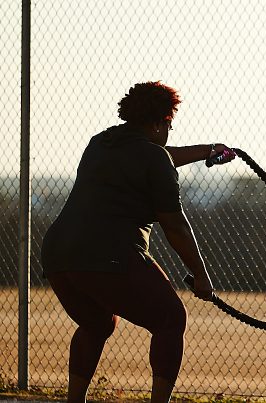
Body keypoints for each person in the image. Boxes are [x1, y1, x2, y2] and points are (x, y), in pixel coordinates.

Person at [41, 81, 235, 403]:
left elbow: (157, 155)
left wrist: (207, 151)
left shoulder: (101, 143)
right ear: (160, 122)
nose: (170, 131)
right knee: (171, 319)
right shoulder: (153, 157)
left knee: (97, 322)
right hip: (110, 254)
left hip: (59, 253)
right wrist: (201, 275)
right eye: (170, 124)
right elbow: (175, 227)